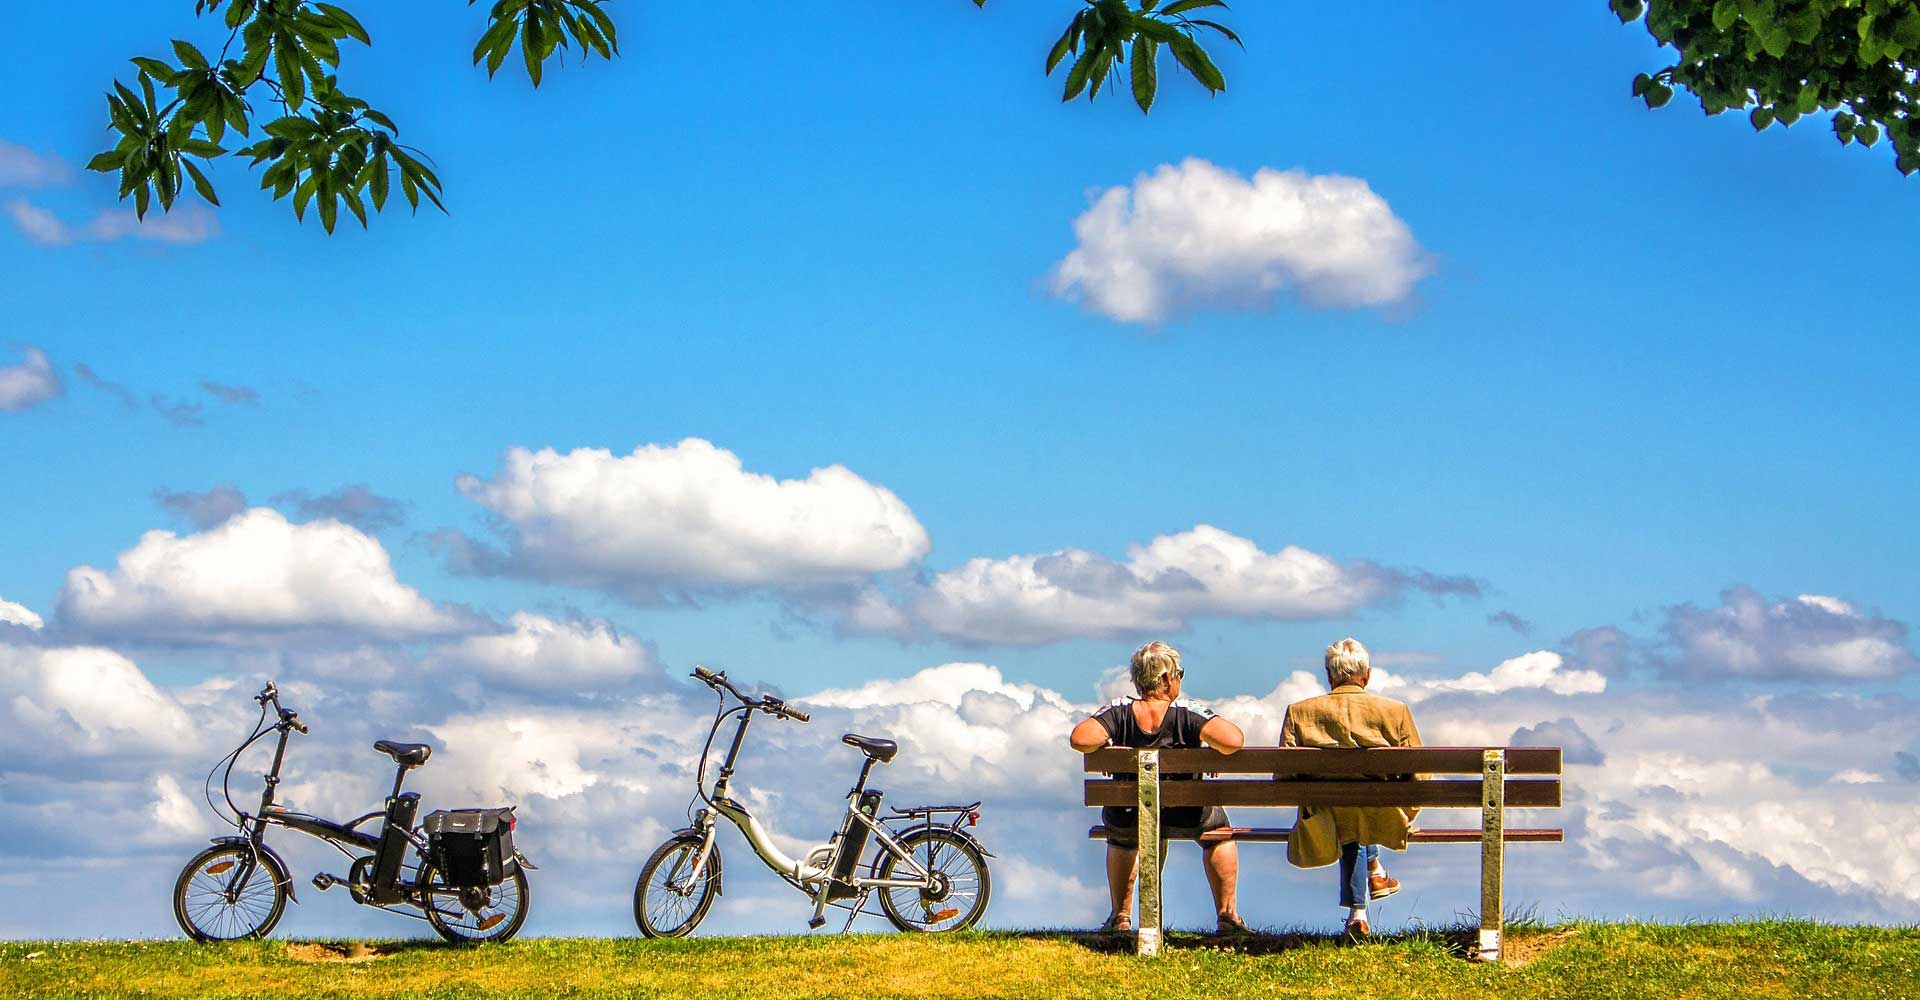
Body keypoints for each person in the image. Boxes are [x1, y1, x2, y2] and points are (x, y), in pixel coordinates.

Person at [1069, 640, 1248, 935]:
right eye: (1178, 674)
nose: (1178, 680)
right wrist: (1205, 750)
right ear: (1166, 678)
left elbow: (1080, 738)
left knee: (1122, 836)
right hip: (1186, 813)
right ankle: (1227, 914)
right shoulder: (1187, 712)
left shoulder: (1119, 711)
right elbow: (1233, 740)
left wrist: (1110, 746)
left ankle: (1121, 916)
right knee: (1220, 835)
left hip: (1129, 813)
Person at [1281, 637, 1422, 938]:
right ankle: (1372, 878)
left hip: (1324, 817)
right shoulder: (1395, 711)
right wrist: (1405, 814)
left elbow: (1283, 775)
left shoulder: (1299, 712)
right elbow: (1420, 775)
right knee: (1359, 810)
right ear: (1367, 676)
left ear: (1330, 677)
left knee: (1345, 810)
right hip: (1381, 813)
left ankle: (1359, 910)